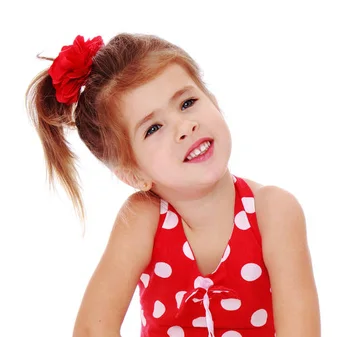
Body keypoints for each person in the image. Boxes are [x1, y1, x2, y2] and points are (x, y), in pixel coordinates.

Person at [25, 33, 320, 337]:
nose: (184, 127)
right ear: (133, 175)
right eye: (153, 128)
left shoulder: (273, 211)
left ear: (214, 102)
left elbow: (301, 330)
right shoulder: (144, 219)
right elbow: (91, 329)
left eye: (188, 102)